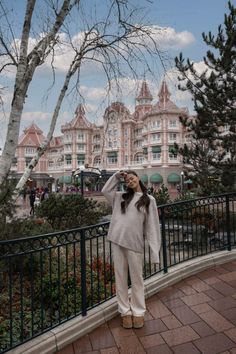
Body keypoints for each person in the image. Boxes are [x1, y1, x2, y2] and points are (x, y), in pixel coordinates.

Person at [102, 170, 161, 329]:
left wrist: (155, 252)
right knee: (120, 278)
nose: (130, 181)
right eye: (127, 180)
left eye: (132, 177)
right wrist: (116, 176)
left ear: (138, 178)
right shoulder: (120, 197)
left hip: (134, 244)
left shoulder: (149, 200)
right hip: (117, 241)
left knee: (137, 279)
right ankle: (124, 311)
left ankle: (138, 311)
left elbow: (153, 227)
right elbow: (105, 190)